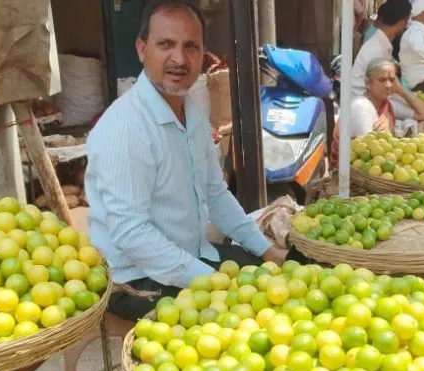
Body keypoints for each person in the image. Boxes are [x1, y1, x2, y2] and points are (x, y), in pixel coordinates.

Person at [85, 0, 286, 322]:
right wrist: (211, 282)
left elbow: (215, 194)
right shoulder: (126, 128)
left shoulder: (191, 110)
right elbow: (132, 233)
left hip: (192, 256)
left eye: (190, 46)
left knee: (279, 281)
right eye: (165, 44)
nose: (179, 59)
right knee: (246, 319)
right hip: (137, 278)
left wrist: (266, 250)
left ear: (203, 53)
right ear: (142, 49)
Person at [330, 58, 424, 167]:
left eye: (392, 80)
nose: (388, 85)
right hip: (351, 172)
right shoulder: (360, 106)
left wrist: (401, 90)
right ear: (368, 83)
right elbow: (368, 153)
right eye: (382, 80)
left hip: (381, 165)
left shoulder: (389, 103)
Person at [353, 0, 424, 120]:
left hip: (371, 103)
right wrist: (402, 92)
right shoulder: (376, 49)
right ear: (403, 22)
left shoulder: (379, 44)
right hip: (367, 109)